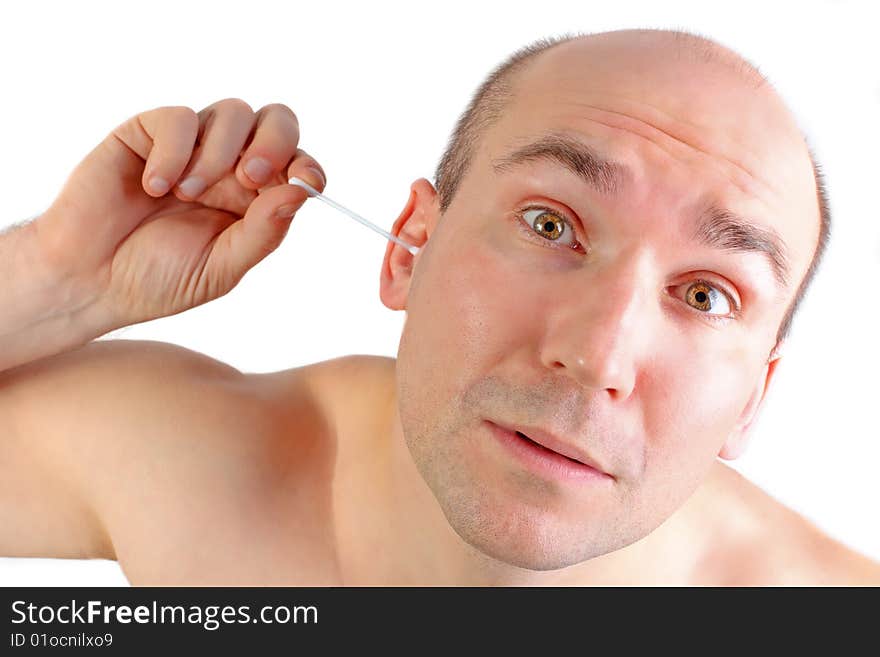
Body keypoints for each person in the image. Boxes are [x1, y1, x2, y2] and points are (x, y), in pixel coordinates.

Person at [1, 27, 878, 586]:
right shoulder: (191, 467)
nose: (598, 357)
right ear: (405, 248)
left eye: (704, 293)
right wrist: (54, 275)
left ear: (753, 399)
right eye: (550, 223)